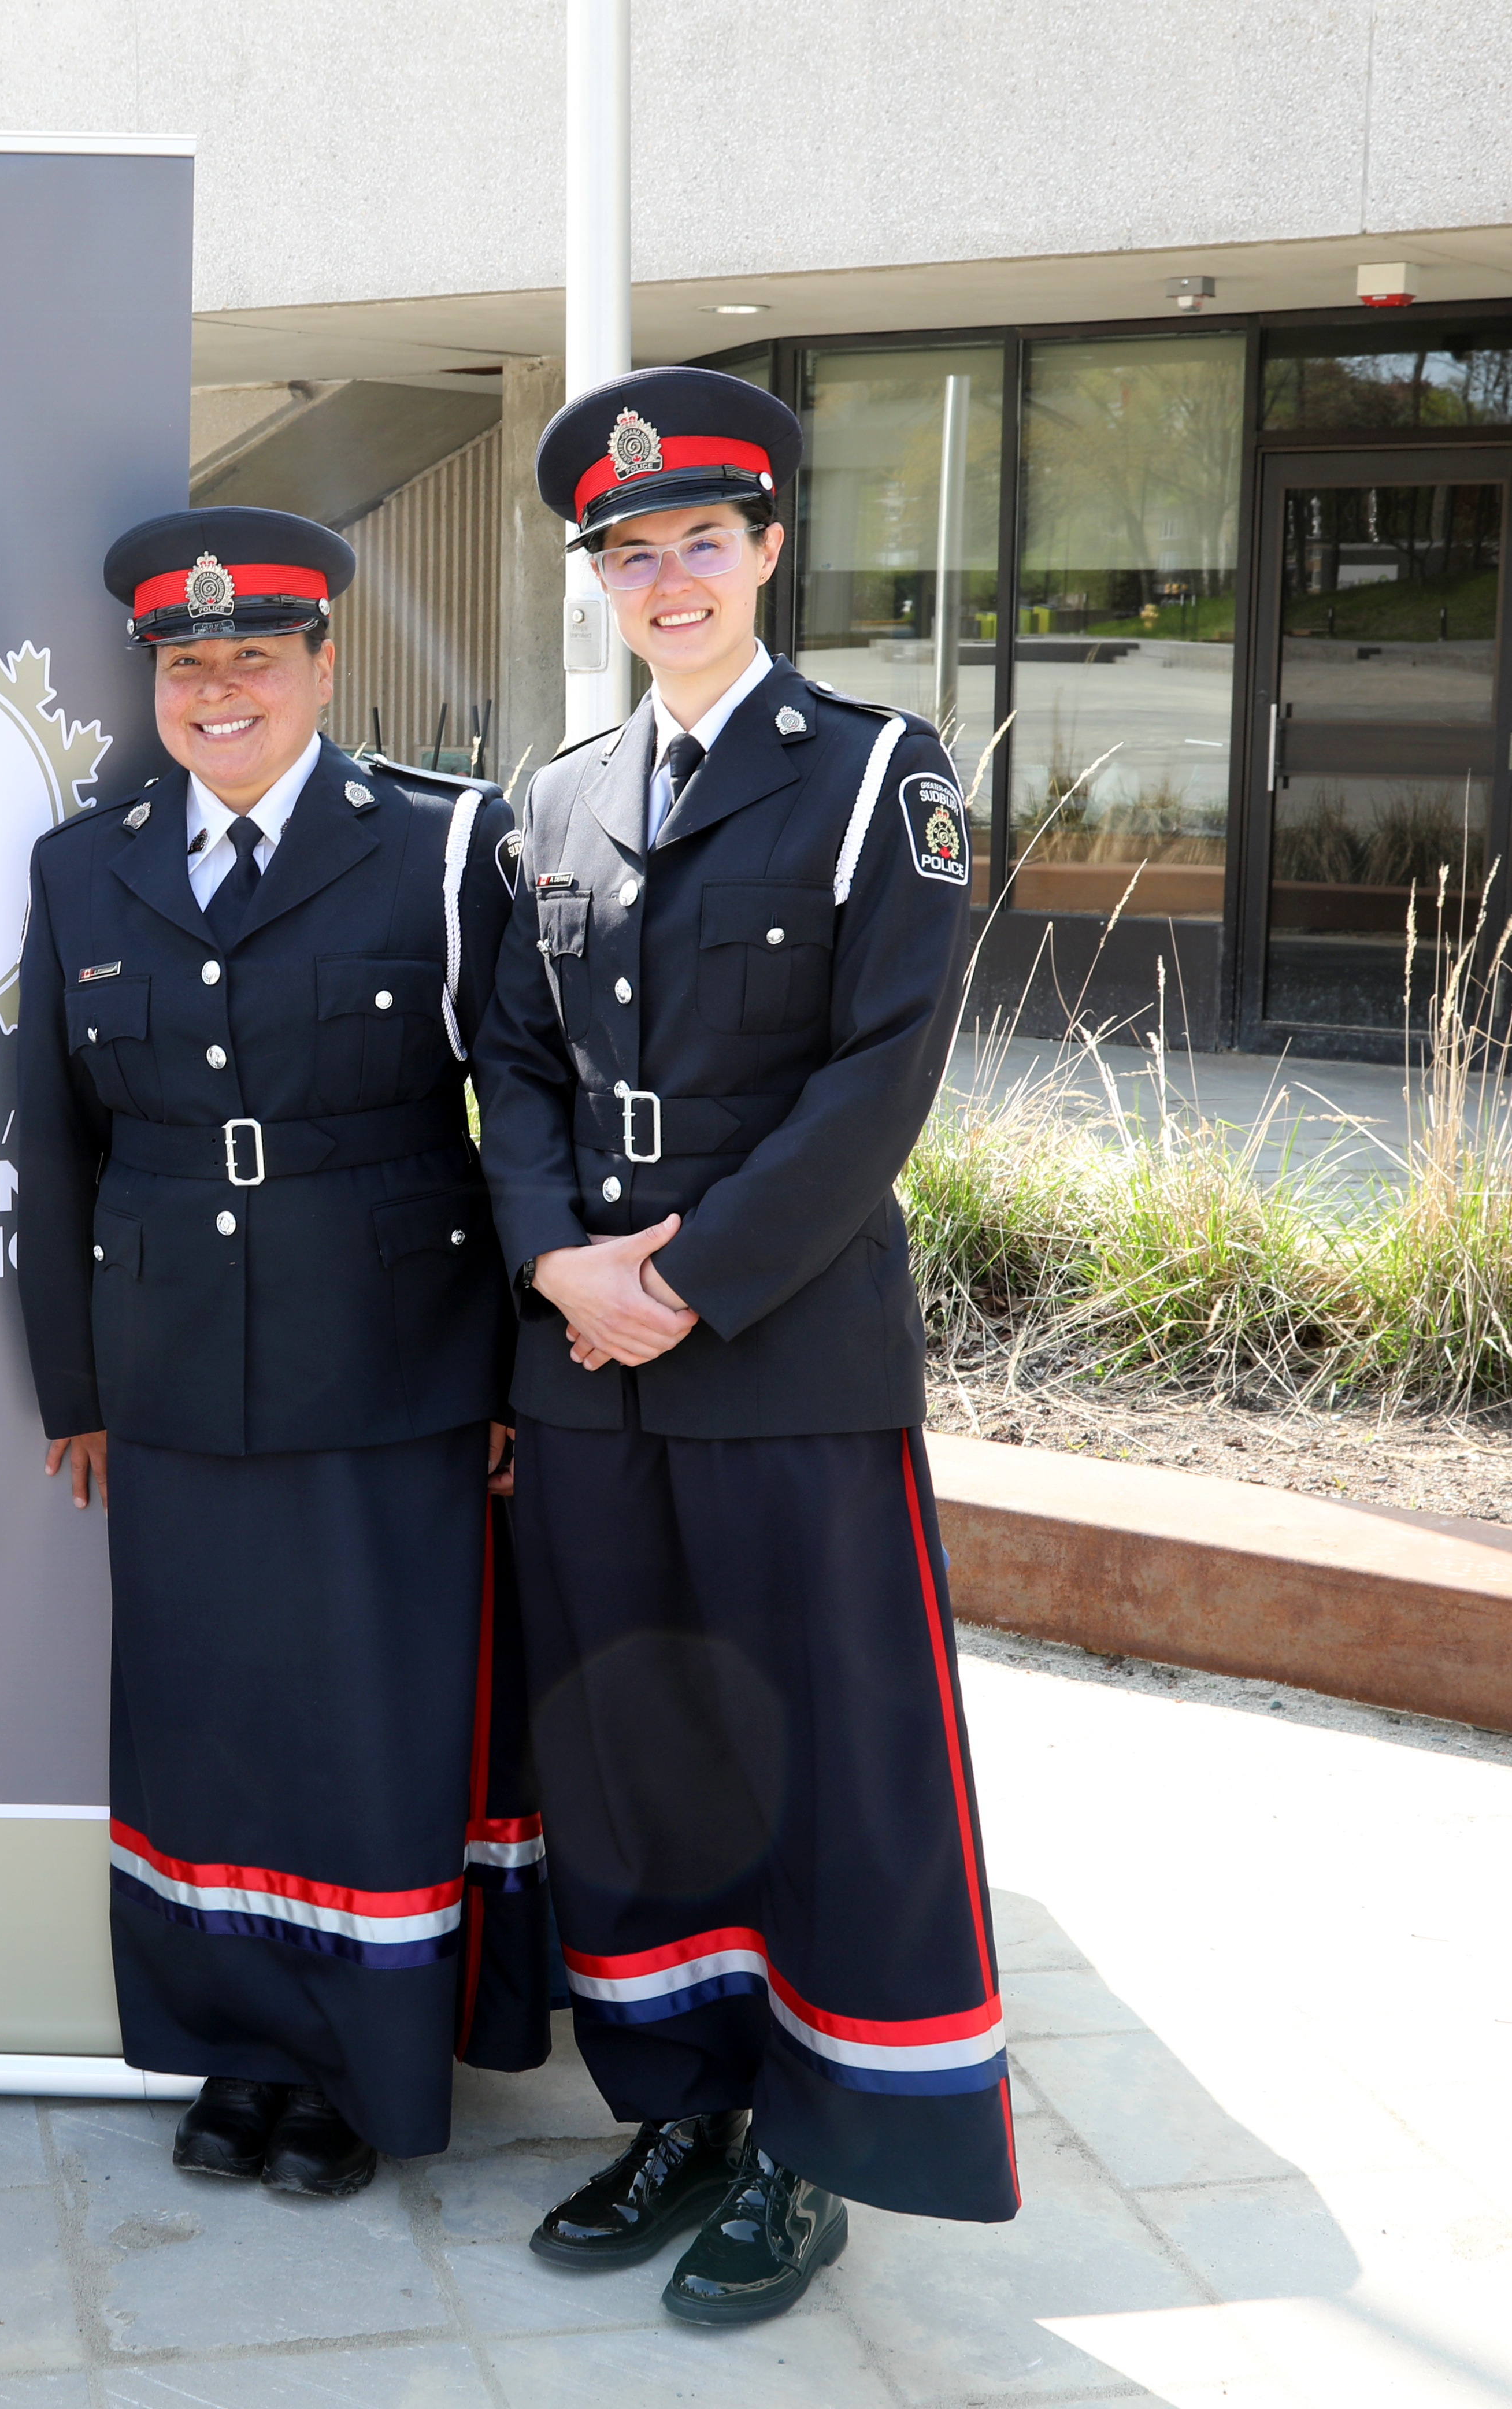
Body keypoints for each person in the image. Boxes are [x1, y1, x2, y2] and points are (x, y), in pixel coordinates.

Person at [476, 365, 1016, 2325]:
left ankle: (814, 2145)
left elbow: (882, 1077)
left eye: (702, 540)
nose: (668, 577)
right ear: (601, 584)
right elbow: (512, 1066)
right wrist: (556, 1272)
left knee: (820, 1763)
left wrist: (678, 1283)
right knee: (630, 1752)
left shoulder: (884, 775)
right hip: (587, 1363)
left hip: (778, 1359)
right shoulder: (548, 800)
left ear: (769, 548)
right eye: (629, 553)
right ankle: (678, 2103)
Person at [17, 506, 551, 2199]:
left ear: (327, 664)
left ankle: (358, 2067)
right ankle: (235, 2048)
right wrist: (75, 1390)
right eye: (188, 664)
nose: (221, 688)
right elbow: (51, 1144)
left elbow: (522, 1117)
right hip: (171, 1361)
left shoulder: (446, 844)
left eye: (257, 655)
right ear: (155, 686)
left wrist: (514, 1376)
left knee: (367, 1724)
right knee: (208, 1721)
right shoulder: (81, 863)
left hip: (395, 1358)